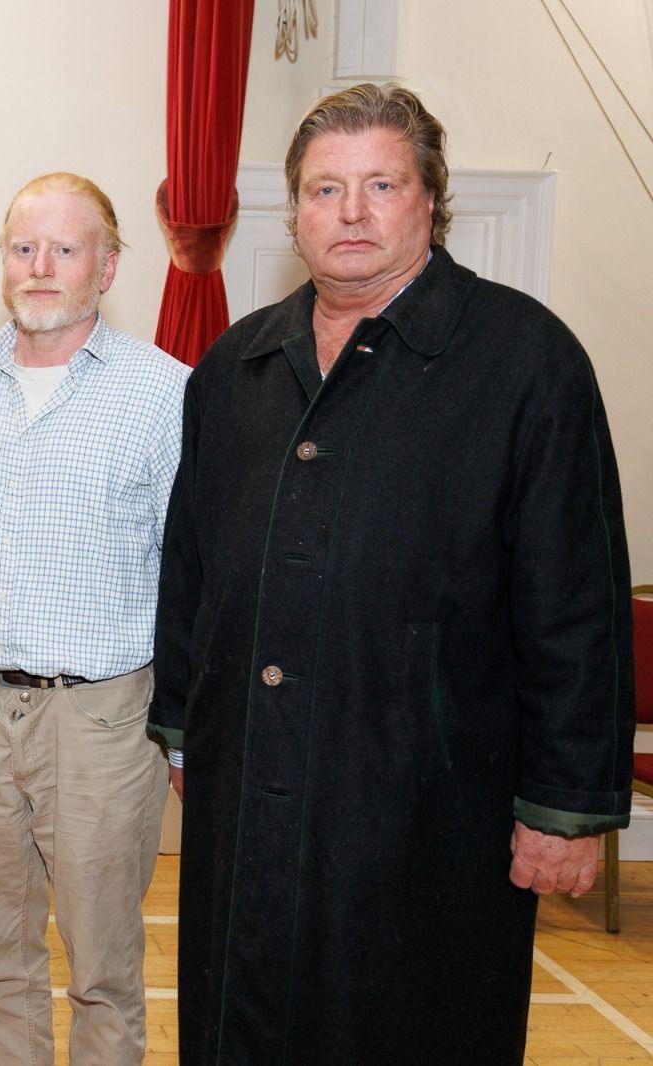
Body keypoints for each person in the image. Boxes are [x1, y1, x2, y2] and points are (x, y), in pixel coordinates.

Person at [148, 83, 634, 1064]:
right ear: (293, 213)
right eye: (326, 189)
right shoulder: (234, 366)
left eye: (381, 184)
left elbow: (576, 601)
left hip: (431, 802)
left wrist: (564, 804)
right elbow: (190, 565)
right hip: (250, 783)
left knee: (411, 1020)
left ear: (428, 201)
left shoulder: (525, 362)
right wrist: (182, 727)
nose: (352, 212)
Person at [0, 172, 187, 1065]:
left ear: (108, 266)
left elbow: (189, 573)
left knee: (103, 967)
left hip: (103, 724)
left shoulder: (166, 394)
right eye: (23, 247)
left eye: (65, 249)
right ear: (2, 261)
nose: (41, 267)